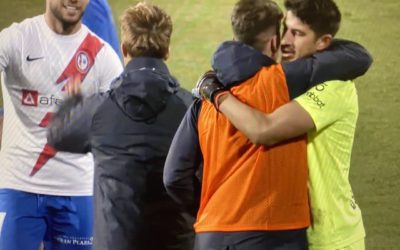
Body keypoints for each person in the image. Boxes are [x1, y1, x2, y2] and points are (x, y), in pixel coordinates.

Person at [163, 0, 371, 249]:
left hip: (331, 235)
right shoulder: (279, 82)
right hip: (284, 232)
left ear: (323, 42)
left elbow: (264, 130)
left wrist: (215, 93)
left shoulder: (335, 87)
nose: (286, 42)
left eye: (297, 33)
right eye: (286, 30)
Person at [47, 2, 195, 250]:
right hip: (176, 242)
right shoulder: (192, 109)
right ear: (167, 51)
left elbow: (57, 134)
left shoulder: (98, 109)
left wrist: (72, 102)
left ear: (124, 49)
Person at [0, 0, 123, 249]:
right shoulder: (15, 39)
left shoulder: (104, 57)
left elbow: (119, 129)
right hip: (17, 187)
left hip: (78, 191)